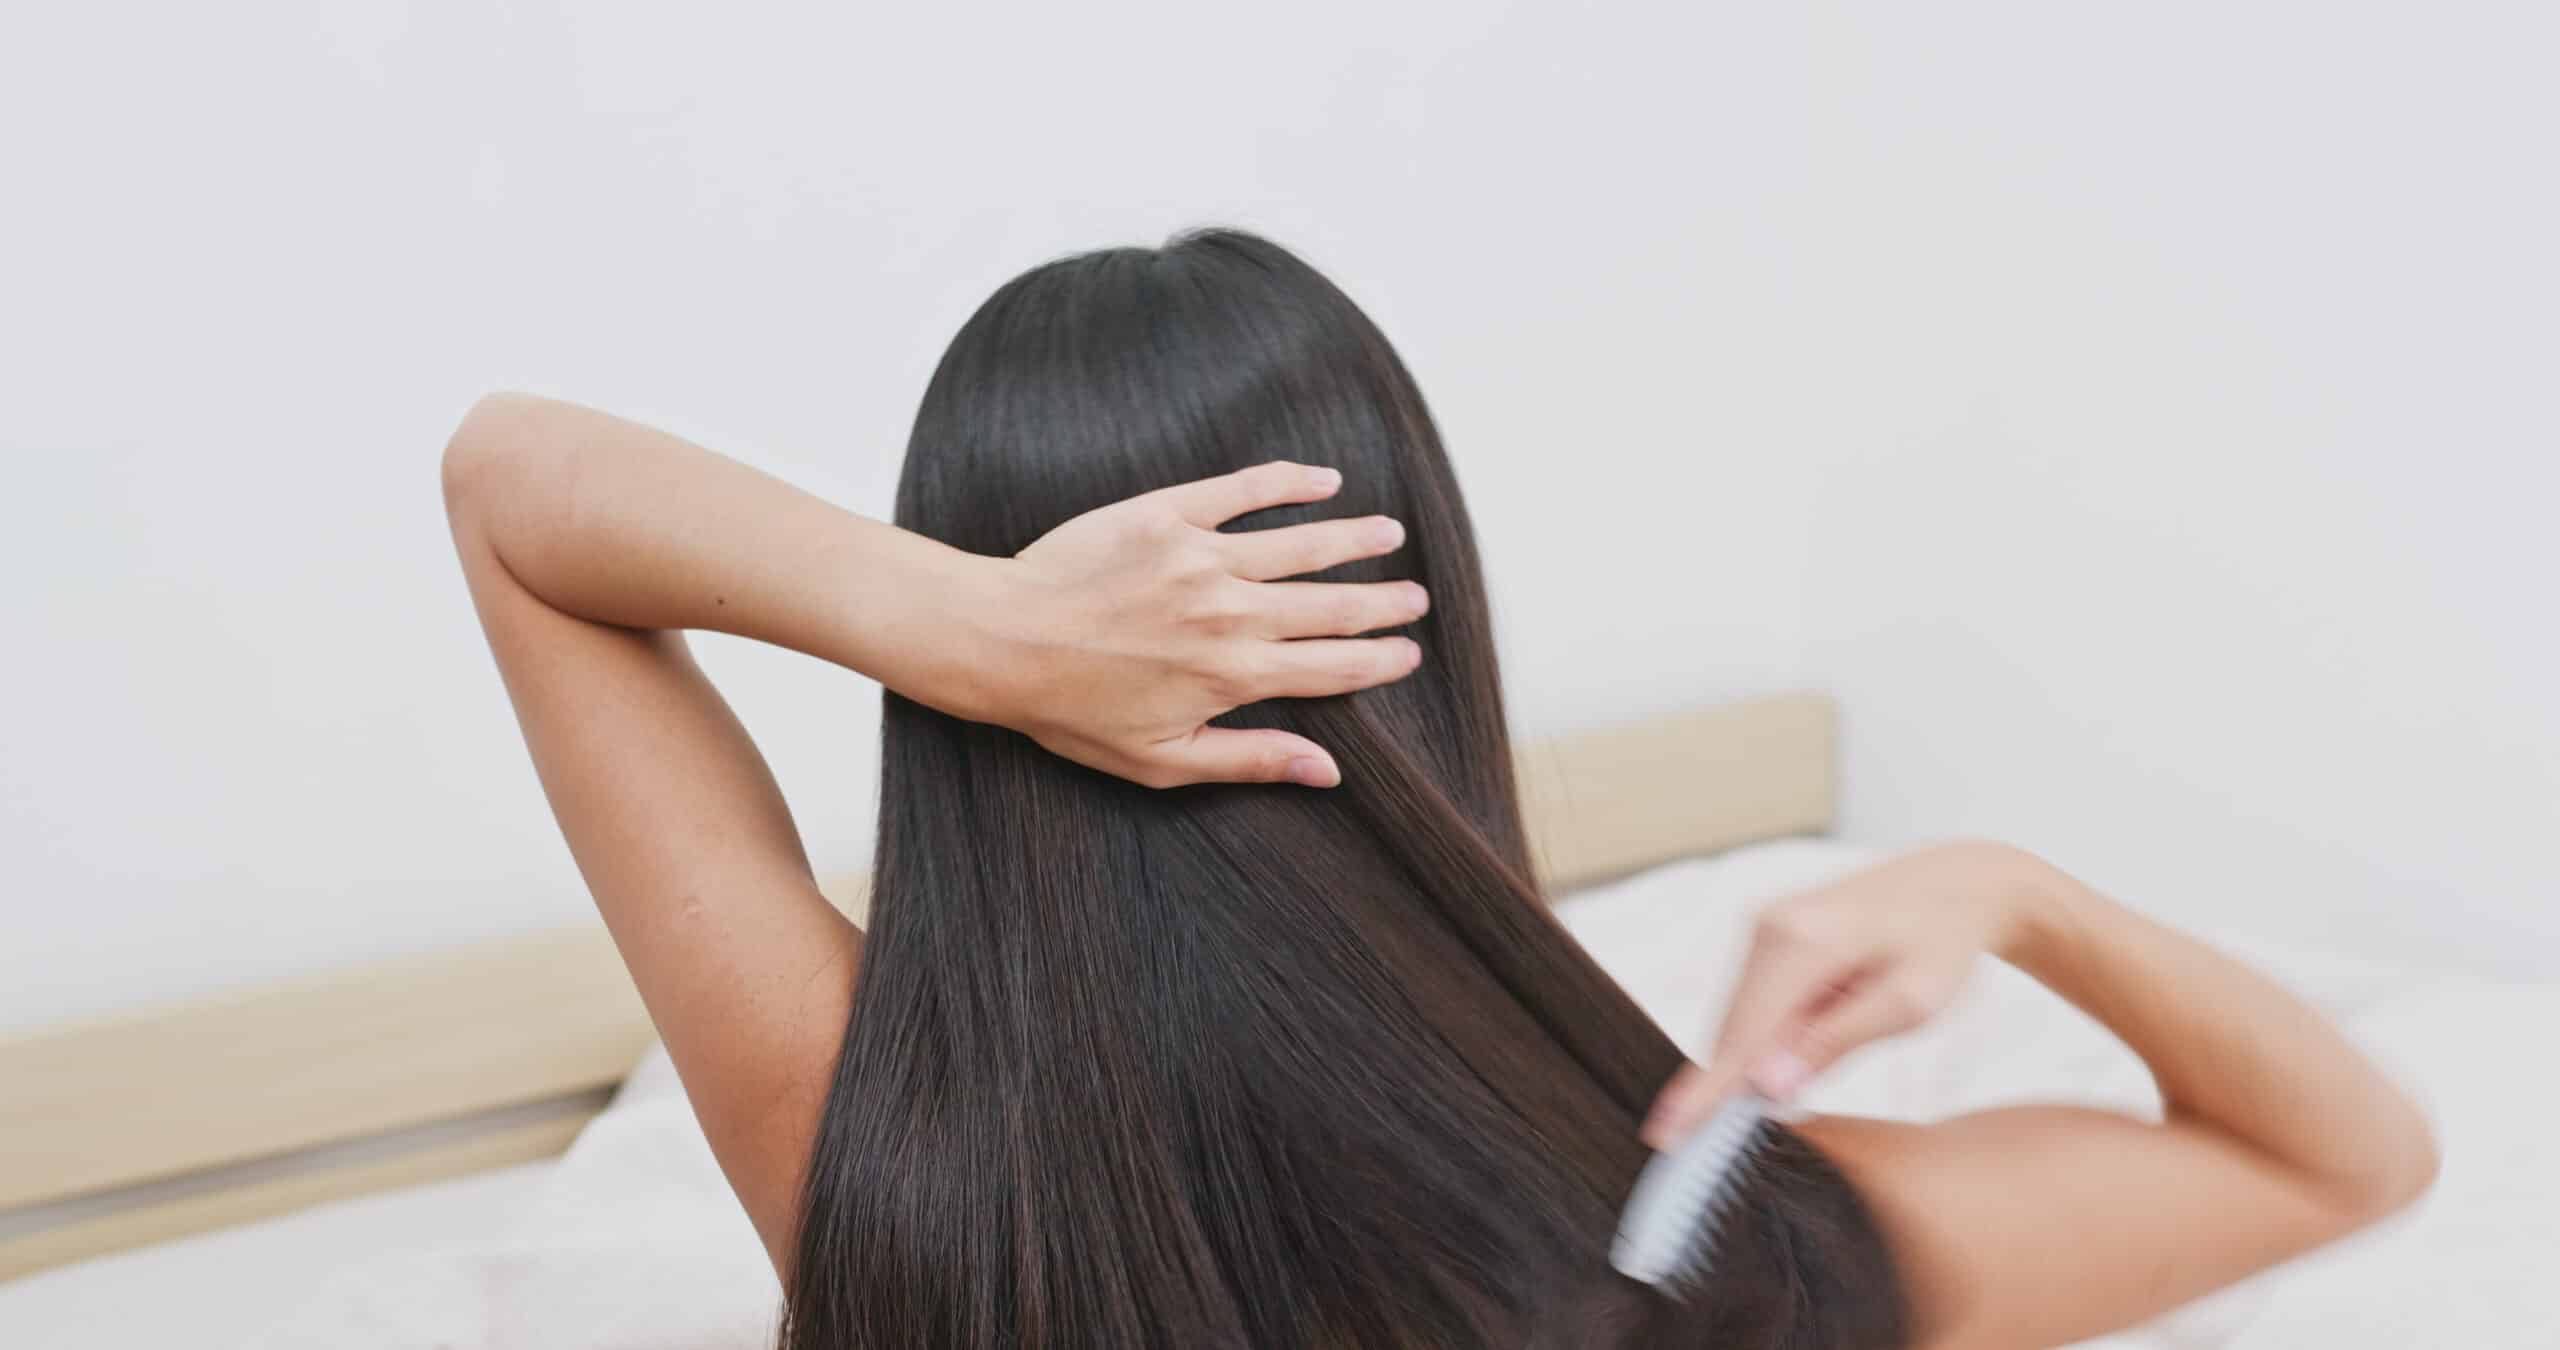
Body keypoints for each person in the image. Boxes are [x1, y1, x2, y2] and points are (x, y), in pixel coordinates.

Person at [442, 229, 2436, 1348]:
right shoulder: (1713, 1268)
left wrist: (966, 633)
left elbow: (514, 488)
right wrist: (2008, 890)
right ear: (1431, 642)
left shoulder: (869, 1170)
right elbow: (2338, 1158)